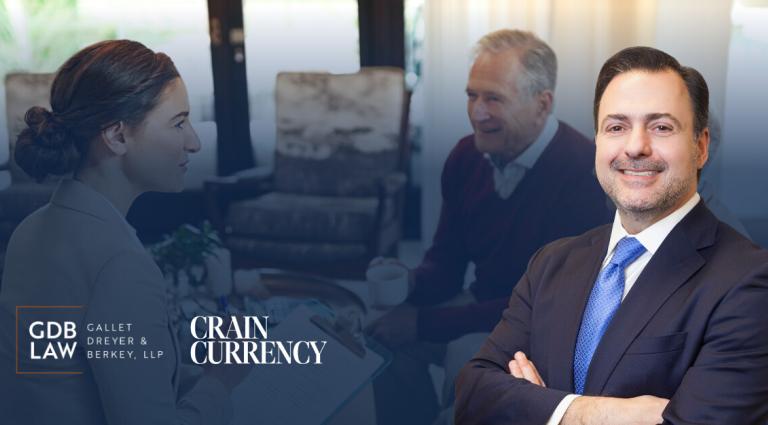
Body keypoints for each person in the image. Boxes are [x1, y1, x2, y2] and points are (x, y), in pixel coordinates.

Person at [455, 46, 768, 425]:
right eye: (616, 127)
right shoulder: (551, 263)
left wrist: (534, 406)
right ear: (597, 143)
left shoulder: (749, 282)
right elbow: (474, 395)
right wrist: (592, 413)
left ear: (700, 147)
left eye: (662, 127)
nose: (636, 147)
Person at [367, 29, 610, 425]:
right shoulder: (467, 155)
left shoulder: (585, 173)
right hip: (481, 305)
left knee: (465, 367)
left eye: (494, 98)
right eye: (472, 95)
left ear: (541, 104)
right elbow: (445, 264)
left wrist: (423, 323)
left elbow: (547, 306)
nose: (477, 112)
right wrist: (409, 283)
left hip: (547, 330)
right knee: (382, 343)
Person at [0, 40, 245, 424]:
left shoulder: (29, 232)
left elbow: (65, 368)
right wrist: (220, 381)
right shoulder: (119, 264)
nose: (194, 142)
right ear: (117, 136)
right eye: (178, 123)